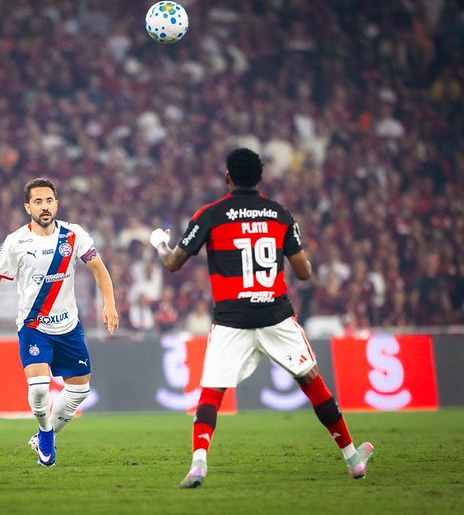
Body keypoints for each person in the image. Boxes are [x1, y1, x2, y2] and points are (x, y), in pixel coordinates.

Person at [148, 148, 374, 488]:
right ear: (260, 177)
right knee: (312, 383)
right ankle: (353, 459)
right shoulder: (280, 215)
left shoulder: (210, 214)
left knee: (211, 392)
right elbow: (304, 273)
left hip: (231, 319)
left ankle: (198, 464)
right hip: (276, 316)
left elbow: (172, 263)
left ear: (228, 177)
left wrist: (159, 244)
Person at [0, 177, 119, 466]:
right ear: (27, 206)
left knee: (80, 389)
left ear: (56, 204)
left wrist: (109, 303)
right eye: (37, 202)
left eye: (48, 201)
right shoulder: (16, 241)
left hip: (68, 326)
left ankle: (44, 433)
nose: (44, 207)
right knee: (40, 388)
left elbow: (98, 268)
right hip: (34, 326)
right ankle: (46, 434)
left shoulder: (74, 234)